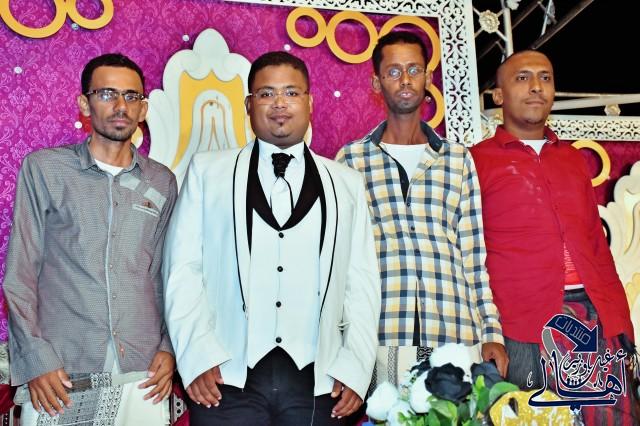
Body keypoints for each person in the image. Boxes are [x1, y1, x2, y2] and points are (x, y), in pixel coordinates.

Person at [162, 51, 380, 425]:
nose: (279, 104)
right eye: (266, 94)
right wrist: (196, 356)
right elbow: (182, 270)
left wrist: (356, 367)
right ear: (249, 105)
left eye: (291, 93)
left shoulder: (346, 183)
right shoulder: (208, 172)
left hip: (319, 383)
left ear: (310, 103)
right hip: (225, 378)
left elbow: (361, 284)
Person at [4, 53, 177, 425]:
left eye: (131, 96)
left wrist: (169, 347)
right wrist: (36, 359)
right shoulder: (45, 169)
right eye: (107, 94)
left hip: (143, 373)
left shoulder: (161, 181)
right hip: (60, 372)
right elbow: (21, 274)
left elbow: (166, 274)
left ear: (143, 108)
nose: (120, 106)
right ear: (85, 104)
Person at [470, 50, 638, 423]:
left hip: (594, 315)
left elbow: (596, 244)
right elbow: (466, 254)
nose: (536, 87)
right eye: (522, 78)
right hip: (521, 323)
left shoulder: (572, 159)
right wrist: (486, 332)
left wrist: (621, 322)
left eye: (545, 78)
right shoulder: (474, 161)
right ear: (498, 95)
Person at [335, 31, 507, 388]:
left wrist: (491, 331)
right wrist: (343, 341)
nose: (405, 80)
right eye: (393, 71)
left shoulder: (457, 159)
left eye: (414, 69)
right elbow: (342, 261)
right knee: (387, 413)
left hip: (454, 328)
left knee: (454, 413)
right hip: (383, 331)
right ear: (377, 82)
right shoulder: (351, 160)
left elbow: (473, 255)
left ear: (428, 78)